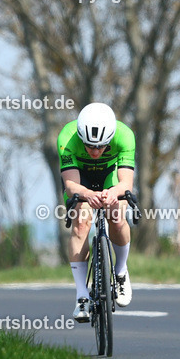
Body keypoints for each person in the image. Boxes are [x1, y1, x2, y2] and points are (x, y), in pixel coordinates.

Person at [57, 102, 134, 323]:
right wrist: (87, 194)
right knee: (81, 222)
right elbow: (71, 185)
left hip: (111, 178)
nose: (95, 151)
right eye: (89, 146)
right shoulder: (68, 136)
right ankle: (82, 294)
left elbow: (126, 183)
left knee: (117, 216)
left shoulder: (125, 136)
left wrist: (113, 193)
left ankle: (120, 271)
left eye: (101, 146)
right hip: (81, 181)